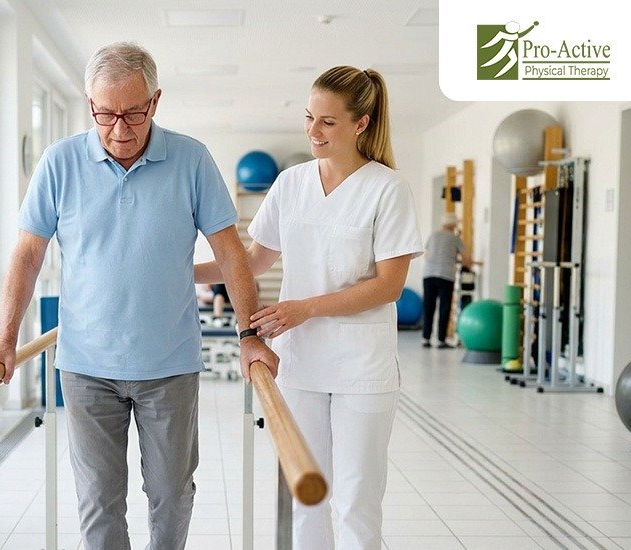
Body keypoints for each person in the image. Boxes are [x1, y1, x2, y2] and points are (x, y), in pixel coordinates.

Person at [0, 42, 278, 550]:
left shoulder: (191, 159)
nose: (119, 129)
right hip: (87, 366)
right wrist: (6, 340)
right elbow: (28, 255)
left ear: (155, 102)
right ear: (90, 103)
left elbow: (230, 252)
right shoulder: (60, 163)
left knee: (171, 496)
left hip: (170, 366)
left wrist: (249, 335)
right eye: (106, 114)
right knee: (99, 502)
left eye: (133, 113)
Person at [195, 66, 422, 549]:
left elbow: (389, 286)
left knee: (357, 500)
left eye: (327, 122)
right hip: (302, 367)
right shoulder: (291, 183)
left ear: (361, 124)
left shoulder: (387, 188)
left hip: (363, 369)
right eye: (308, 118)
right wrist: (184, 273)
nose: (313, 132)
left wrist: (304, 309)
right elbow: (252, 261)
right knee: (306, 499)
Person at [422, 212, 473, 348]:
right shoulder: (455, 238)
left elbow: (426, 255)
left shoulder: (433, 235)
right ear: (455, 225)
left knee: (429, 306)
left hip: (429, 274)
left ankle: (426, 338)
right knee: (444, 308)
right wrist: (458, 261)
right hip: (445, 276)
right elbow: (467, 259)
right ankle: (441, 340)